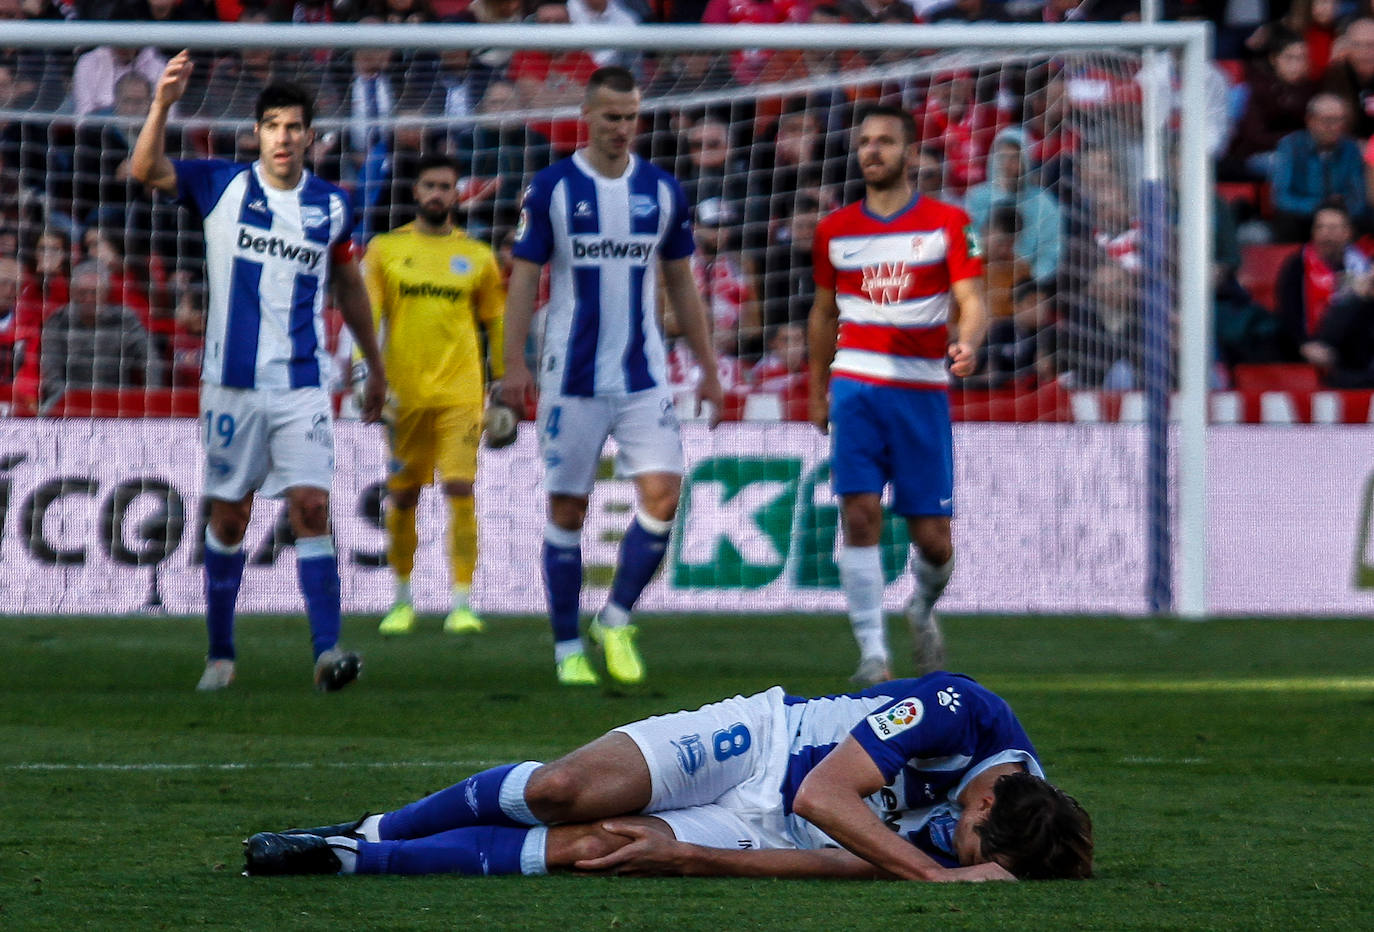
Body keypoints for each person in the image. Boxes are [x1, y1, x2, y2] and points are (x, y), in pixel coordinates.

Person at [242, 671, 1093, 882]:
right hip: (764, 745)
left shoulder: (1003, 843)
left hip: (771, 829)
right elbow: (823, 796)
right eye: (963, 831)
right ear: (984, 793)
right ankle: (383, 823)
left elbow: (838, 857)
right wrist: (936, 877)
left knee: (597, 847)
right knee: (560, 791)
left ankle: (351, 860)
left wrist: (698, 859)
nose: (951, 844)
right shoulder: (962, 708)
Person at [130, 50, 387, 692]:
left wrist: (374, 366)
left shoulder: (332, 206)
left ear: (310, 136)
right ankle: (221, 654)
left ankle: (327, 652)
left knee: (311, 505)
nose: (283, 136)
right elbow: (144, 167)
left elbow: (350, 287)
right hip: (230, 386)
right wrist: (163, 102)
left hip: (303, 383)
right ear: (257, 133)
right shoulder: (222, 185)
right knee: (229, 519)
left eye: (294, 125)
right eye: (272, 124)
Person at [500, 67, 725, 687]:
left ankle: (616, 616)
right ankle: (566, 645)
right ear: (587, 115)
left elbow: (682, 280)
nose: (621, 128)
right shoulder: (551, 187)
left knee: (663, 495)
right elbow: (524, 275)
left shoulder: (662, 190)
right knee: (568, 507)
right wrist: (512, 362)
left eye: (630, 116)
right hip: (570, 378)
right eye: (610, 116)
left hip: (643, 377)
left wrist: (706, 369)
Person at [807, 105, 989, 686]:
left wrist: (968, 341)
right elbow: (821, 312)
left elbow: (974, 300)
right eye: (865, 142)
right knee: (859, 514)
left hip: (920, 392)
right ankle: (872, 655)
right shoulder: (834, 229)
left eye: (885, 141)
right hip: (855, 385)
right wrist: (816, 388)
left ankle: (921, 607)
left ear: (910, 153)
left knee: (933, 542)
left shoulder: (948, 222)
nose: (873, 151)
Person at [364, 153, 506, 637]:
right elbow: (368, 317)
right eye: (429, 185)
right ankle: (402, 599)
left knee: (459, 487)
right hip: (403, 396)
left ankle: (462, 602)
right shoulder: (384, 249)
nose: (437, 194)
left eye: (446, 186)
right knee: (402, 497)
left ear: (457, 193)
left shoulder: (479, 256)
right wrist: (367, 376)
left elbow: (497, 322)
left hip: (462, 394)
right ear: (415, 192)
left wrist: (505, 383)